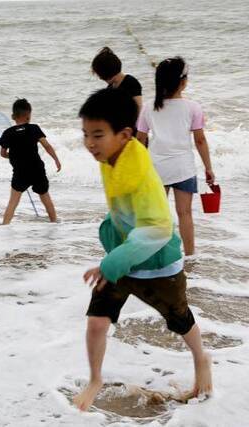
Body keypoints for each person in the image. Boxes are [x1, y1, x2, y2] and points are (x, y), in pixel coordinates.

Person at [74, 89, 212, 411]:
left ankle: (200, 358)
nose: (90, 143)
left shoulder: (140, 176)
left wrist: (109, 264)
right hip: (123, 258)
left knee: (179, 319)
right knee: (96, 321)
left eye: (97, 135)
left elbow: (158, 228)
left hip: (158, 264)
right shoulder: (111, 157)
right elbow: (123, 212)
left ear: (123, 135)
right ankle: (95, 378)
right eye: (85, 134)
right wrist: (113, 251)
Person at [136, 57, 214, 256]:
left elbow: (140, 141)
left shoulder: (148, 107)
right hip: (183, 168)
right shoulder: (192, 107)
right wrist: (208, 168)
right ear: (182, 82)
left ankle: (157, 255)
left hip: (156, 168)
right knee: (184, 214)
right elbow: (200, 141)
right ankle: (190, 256)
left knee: (158, 216)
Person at [0, 99, 61, 224]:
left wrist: (14, 156)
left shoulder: (8, 133)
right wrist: (56, 159)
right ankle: (54, 223)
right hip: (37, 170)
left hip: (20, 172)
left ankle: (4, 226)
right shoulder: (34, 129)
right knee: (46, 198)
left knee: (13, 202)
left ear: (14, 116)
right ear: (28, 115)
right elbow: (47, 146)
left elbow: (3, 154)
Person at [92, 47, 143, 114]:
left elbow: (139, 110)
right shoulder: (111, 87)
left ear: (107, 73)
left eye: (101, 75)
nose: (100, 78)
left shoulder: (131, 83)